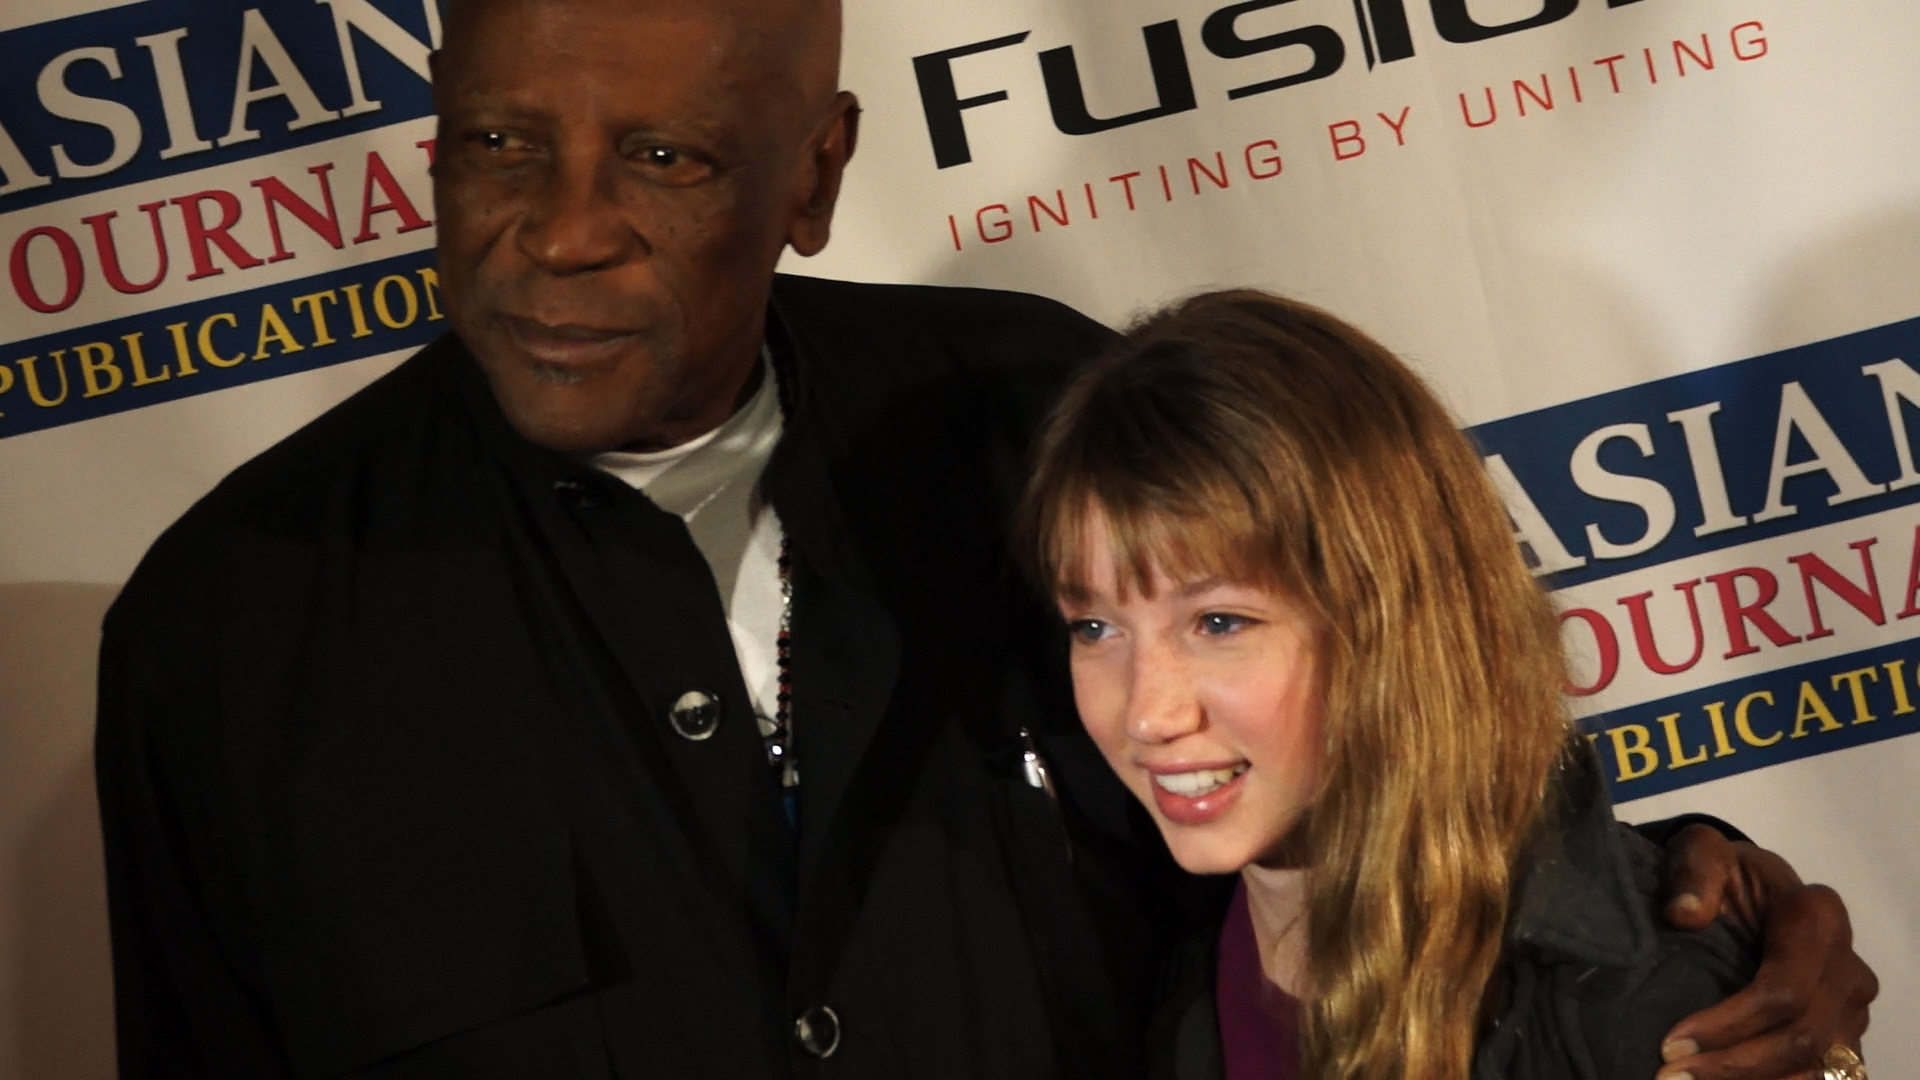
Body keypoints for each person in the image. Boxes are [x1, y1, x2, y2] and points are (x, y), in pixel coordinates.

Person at [93, 0, 1873, 1077]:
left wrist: (1671, 902)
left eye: (668, 159)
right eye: (495, 139)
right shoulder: (224, 633)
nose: (562, 233)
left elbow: (1377, 787)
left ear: (814, 171)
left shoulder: (1037, 412)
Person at [1017, 290, 1872, 1080]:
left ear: (1395, 620)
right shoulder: (1177, 978)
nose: (1149, 712)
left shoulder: (1654, 1008)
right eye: (1096, 628)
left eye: (1220, 623)